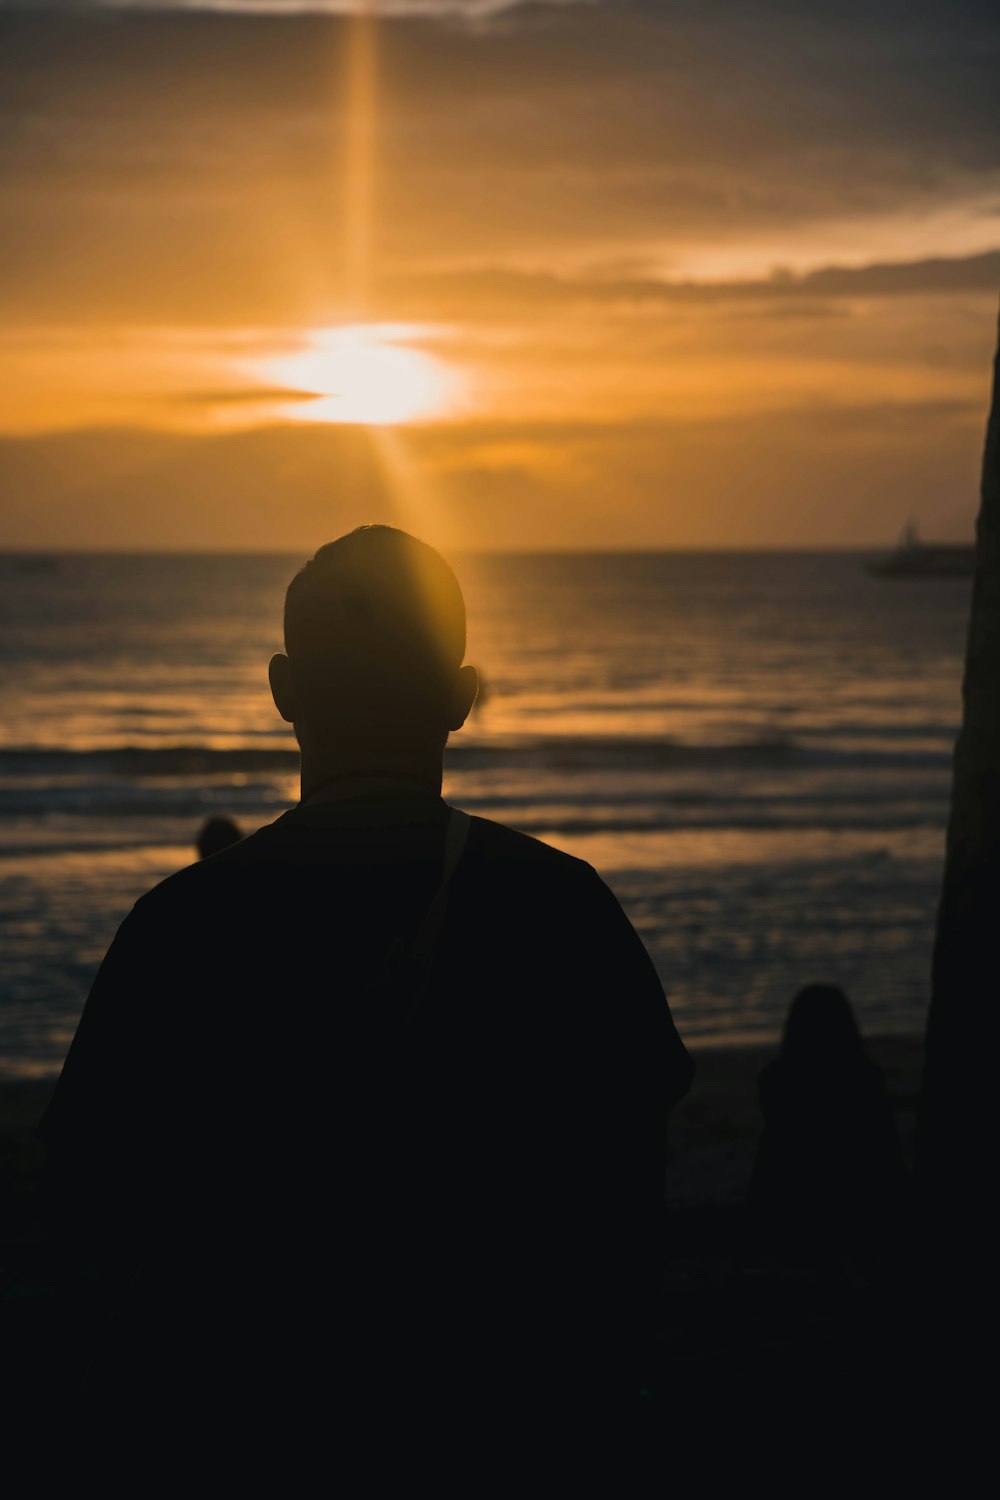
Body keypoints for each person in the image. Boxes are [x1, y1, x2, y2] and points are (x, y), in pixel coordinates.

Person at [39, 525, 693, 1446]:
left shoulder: (180, 923)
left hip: (239, 1409)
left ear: (283, 692)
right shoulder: (561, 906)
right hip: (500, 1410)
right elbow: (626, 1209)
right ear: (463, 699)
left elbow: (83, 1199)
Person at [748, 983, 908, 1261]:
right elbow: (887, 1153)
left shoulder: (777, 1079)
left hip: (786, 1209)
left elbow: (773, 1155)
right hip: (862, 1211)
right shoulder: (864, 1077)